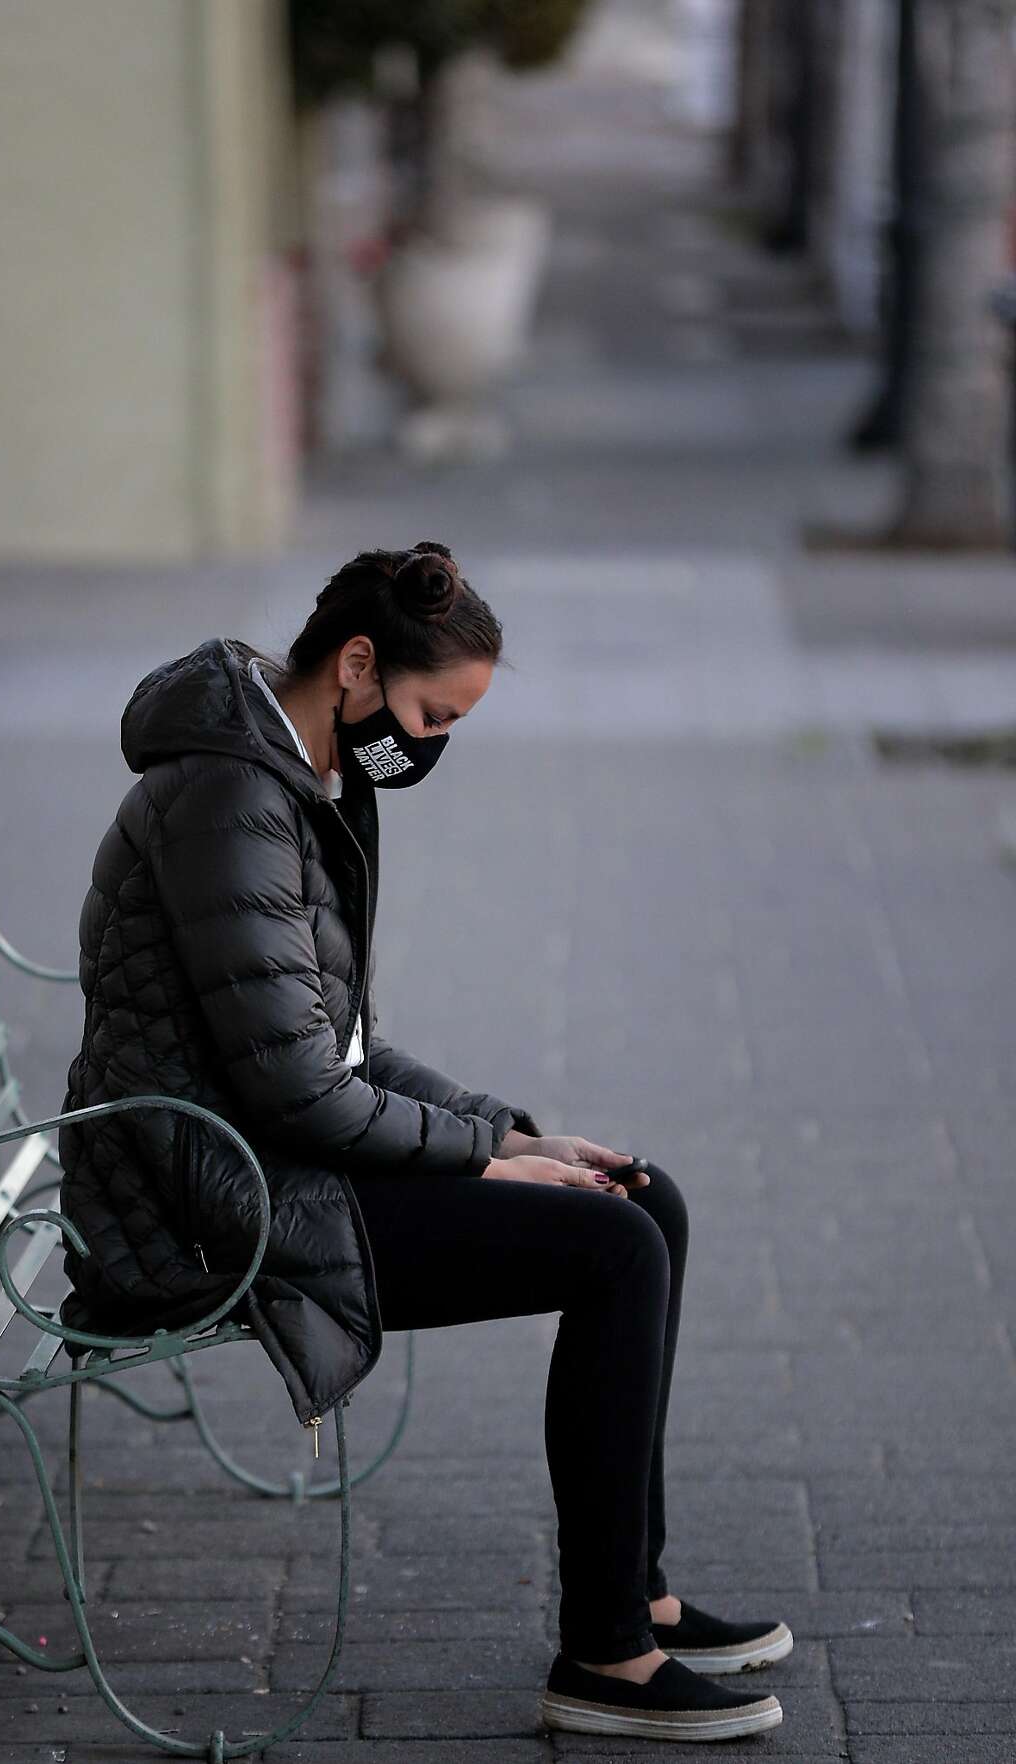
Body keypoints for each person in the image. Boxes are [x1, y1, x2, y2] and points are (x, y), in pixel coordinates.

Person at [57, 541, 793, 1743]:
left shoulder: (302, 776)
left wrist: (514, 1132)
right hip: (215, 1196)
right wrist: (492, 1164)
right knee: (616, 1252)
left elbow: (341, 1050)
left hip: (274, 1152)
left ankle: (637, 1594)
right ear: (358, 664)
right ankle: (606, 1655)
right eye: (432, 713)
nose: (435, 744)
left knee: (644, 1202)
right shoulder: (234, 800)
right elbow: (301, 1092)